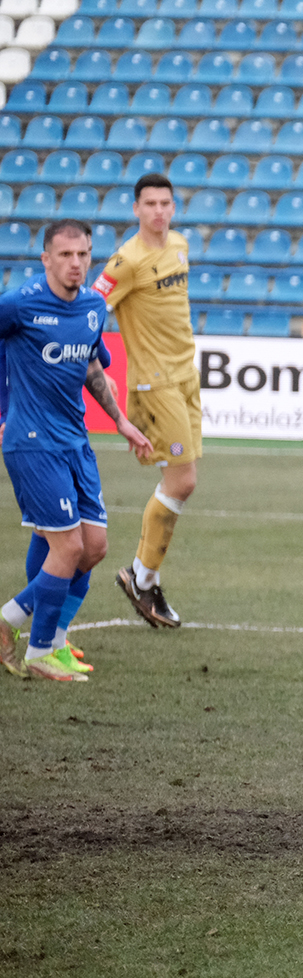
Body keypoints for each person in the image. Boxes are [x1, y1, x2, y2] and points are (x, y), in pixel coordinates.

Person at [0, 219, 154, 680]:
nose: (75, 264)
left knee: (93, 547)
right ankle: (39, 650)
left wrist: (122, 422)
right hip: (32, 441)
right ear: (45, 258)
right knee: (66, 546)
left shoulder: (92, 306)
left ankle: (25, 628)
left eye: (83, 254)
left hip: (75, 440)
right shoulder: (19, 305)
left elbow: (91, 367)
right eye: (65, 255)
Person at [92, 172, 196, 628]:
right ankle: (142, 579)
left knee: (183, 482)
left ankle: (142, 577)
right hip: (155, 383)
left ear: (173, 208)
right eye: (149, 203)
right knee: (182, 481)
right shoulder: (125, 262)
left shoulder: (179, 245)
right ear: (135, 209)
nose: (158, 211)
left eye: (165, 203)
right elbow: (90, 312)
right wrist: (96, 366)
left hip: (186, 377)